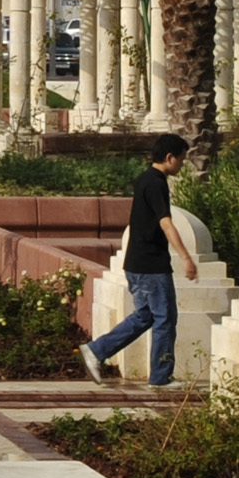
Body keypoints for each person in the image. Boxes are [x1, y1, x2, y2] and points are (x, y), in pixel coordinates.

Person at [79, 133, 198, 386]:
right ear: (169, 158)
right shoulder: (156, 183)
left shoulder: (145, 179)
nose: (182, 165)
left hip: (137, 262)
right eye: (182, 159)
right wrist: (186, 258)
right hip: (151, 265)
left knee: (145, 316)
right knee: (165, 318)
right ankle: (161, 376)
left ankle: (97, 350)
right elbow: (166, 223)